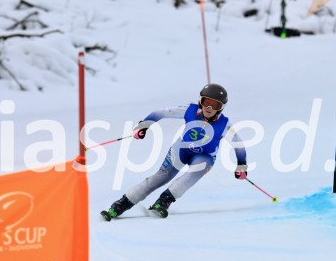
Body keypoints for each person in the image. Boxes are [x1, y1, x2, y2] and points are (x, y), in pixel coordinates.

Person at [101, 83, 248, 220]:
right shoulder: (190, 110)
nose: (209, 108)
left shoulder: (224, 124)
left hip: (205, 156)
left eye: (215, 105)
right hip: (182, 149)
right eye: (206, 102)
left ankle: (164, 200)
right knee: (160, 178)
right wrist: (143, 126)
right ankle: (122, 203)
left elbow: (238, 144)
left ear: (221, 108)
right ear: (200, 101)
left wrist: (241, 166)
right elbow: (161, 112)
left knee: (196, 170)